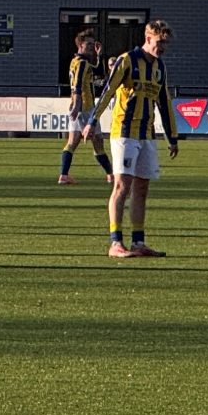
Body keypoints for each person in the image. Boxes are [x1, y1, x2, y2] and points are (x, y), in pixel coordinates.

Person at [92, 18, 181, 257]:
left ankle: (138, 242)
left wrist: (172, 136)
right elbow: (107, 91)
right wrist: (92, 121)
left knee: (142, 188)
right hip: (124, 133)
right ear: (148, 38)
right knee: (122, 186)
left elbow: (164, 102)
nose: (162, 47)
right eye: (159, 42)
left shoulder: (160, 67)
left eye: (166, 43)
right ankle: (115, 242)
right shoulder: (127, 61)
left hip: (147, 135)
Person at [59, 29, 115, 185]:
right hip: (85, 107)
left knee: (72, 143)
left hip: (79, 106)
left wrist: (99, 54)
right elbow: (77, 85)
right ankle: (110, 174)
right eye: (88, 44)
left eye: (93, 44)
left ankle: (64, 175)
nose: (91, 46)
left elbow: (98, 71)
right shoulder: (83, 63)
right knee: (98, 143)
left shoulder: (75, 61)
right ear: (80, 45)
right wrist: (78, 105)